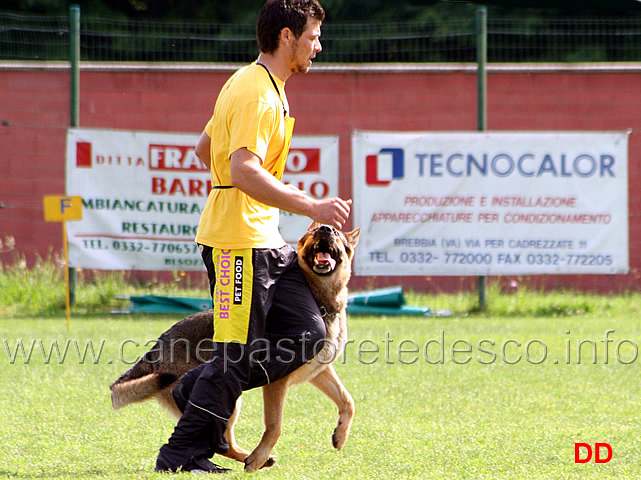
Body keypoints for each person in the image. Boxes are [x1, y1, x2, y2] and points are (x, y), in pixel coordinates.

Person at [155, 0, 352, 473]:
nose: (318, 46)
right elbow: (242, 168)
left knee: (307, 333)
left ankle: (195, 386)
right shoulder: (256, 94)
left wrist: (240, 195)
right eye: (312, 37)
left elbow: (206, 149)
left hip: (262, 240)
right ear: (287, 37)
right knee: (236, 357)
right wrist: (310, 206)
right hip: (236, 245)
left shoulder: (261, 85)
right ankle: (181, 453)